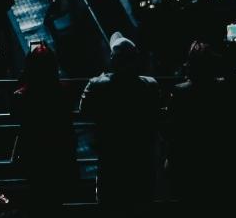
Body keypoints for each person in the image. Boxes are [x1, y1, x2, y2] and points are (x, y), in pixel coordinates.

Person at [78, 33, 164, 208]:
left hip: (111, 160)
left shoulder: (98, 85)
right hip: (142, 159)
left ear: (113, 60)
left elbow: (84, 110)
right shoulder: (150, 85)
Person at [12, 43, 76, 203]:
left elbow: (14, 112)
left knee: (38, 197)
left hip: (34, 155)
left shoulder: (22, 96)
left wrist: (23, 77)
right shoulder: (65, 92)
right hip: (61, 153)